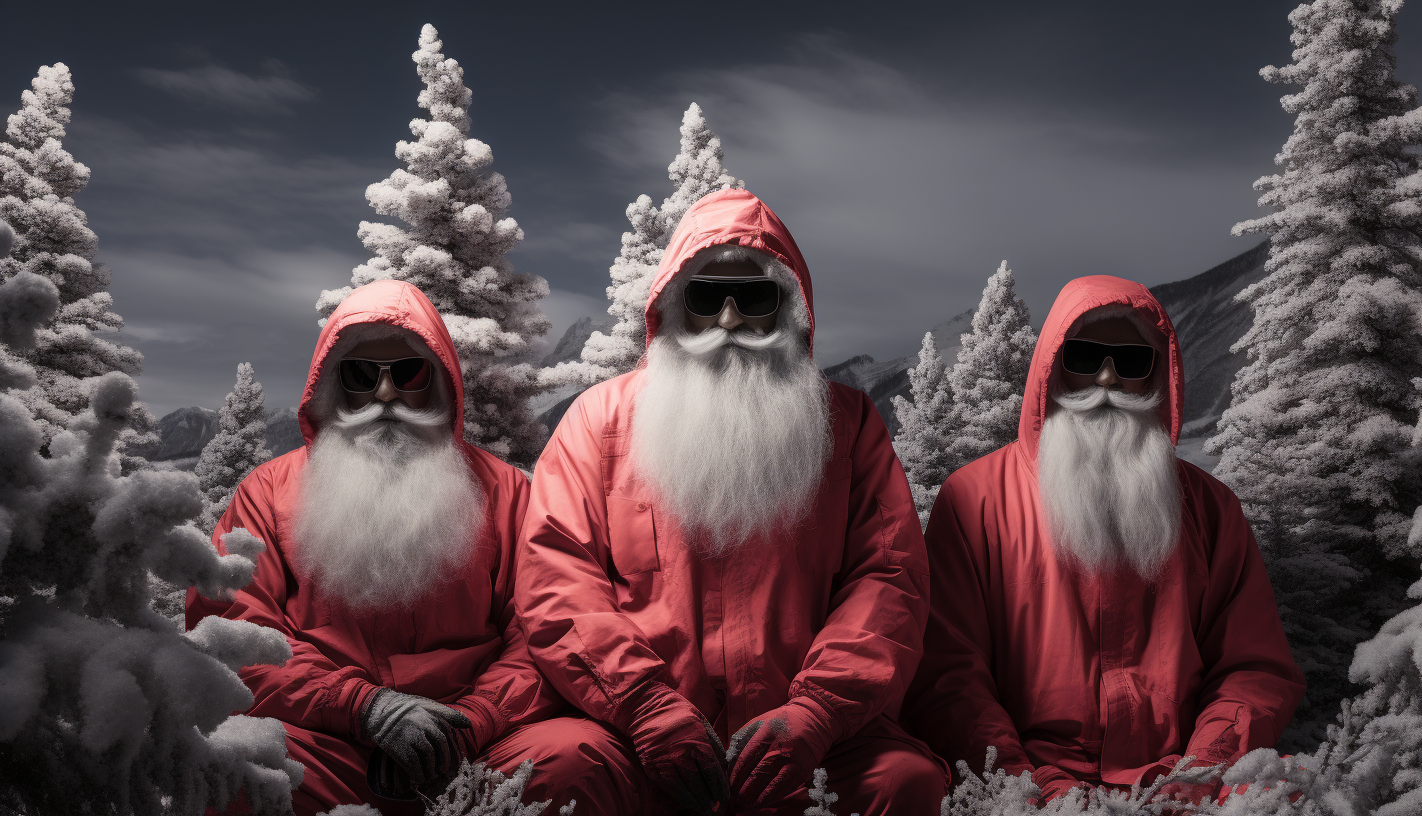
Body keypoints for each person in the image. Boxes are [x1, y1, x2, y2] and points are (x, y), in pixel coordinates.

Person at [515, 188, 947, 815]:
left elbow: (888, 578)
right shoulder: (600, 420)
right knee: (559, 767)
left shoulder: (847, 426)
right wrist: (643, 705)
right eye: (703, 296)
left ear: (788, 308)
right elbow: (557, 576)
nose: (728, 320)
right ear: (670, 303)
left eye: (753, 297)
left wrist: (817, 713)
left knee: (903, 781)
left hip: (804, 737)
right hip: (633, 729)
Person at [186, 280, 638, 815]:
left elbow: (544, 631)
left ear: (440, 382)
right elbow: (235, 634)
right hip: (332, 746)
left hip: (481, 747)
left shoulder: (506, 493)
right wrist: (364, 708)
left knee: (581, 755)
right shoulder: (267, 494)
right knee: (236, 762)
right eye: (360, 376)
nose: (385, 396)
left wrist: (474, 721)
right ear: (332, 387)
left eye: (408, 373)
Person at [904, 275, 1306, 806]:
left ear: (1158, 377)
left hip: (1175, 776)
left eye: (1133, 362)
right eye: (1085, 356)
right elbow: (948, 674)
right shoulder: (974, 500)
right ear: (1052, 367)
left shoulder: (1209, 507)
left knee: (1286, 793)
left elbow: (1252, 666)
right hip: (1028, 776)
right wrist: (1028, 784)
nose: (1108, 378)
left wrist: (1205, 766)